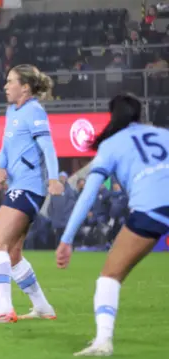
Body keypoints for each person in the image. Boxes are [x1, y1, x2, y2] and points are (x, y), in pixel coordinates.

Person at [56, 93, 169, 356]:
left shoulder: (111, 145)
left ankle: (103, 341)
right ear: (139, 115)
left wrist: (67, 239)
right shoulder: (163, 134)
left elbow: (88, 194)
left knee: (110, 276)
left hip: (150, 209)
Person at [0, 64, 63, 324]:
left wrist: (54, 178)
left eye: (10, 81)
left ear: (25, 87)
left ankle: (4, 308)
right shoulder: (13, 111)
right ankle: (42, 307)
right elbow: (5, 144)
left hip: (28, 187)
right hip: (18, 187)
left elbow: (48, 146)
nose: (5, 86)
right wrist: (1, 165)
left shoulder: (34, 110)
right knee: (13, 254)